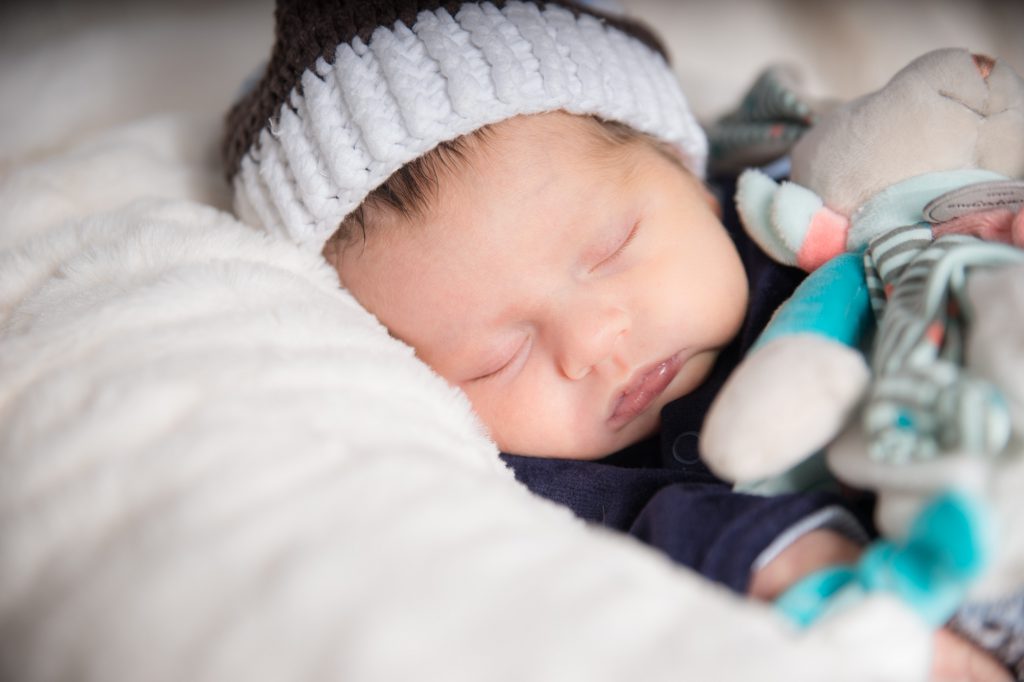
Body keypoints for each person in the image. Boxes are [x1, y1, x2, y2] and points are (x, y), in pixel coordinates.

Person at [222, 1, 1011, 678]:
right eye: (499, 357)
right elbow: (625, 531)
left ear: (690, 177)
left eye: (609, 251)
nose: (594, 345)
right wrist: (795, 560)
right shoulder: (545, 479)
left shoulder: (821, 232)